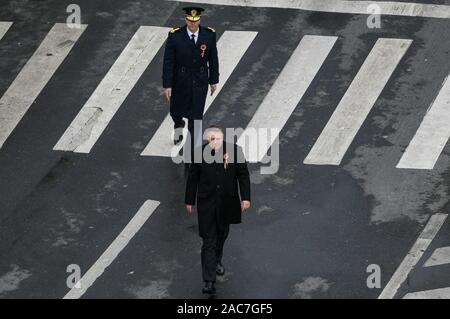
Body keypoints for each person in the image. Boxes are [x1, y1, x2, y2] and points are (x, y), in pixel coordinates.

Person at [185, 125, 251, 295]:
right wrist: (189, 200)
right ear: (208, 140)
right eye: (213, 139)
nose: (216, 142)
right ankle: (209, 281)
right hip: (206, 203)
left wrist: (245, 198)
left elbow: (243, 175)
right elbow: (193, 178)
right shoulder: (199, 153)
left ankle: (217, 260)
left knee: (222, 234)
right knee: (209, 240)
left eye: (219, 138)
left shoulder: (235, 151)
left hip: (227, 202)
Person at [162, 6, 219, 164]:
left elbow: (213, 58)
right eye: (189, 21)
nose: (193, 24)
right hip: (180, 82)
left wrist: (213, 80)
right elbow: (168, 62)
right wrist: (167, 85)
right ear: (185, 19)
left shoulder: (209, 35)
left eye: (195, 21)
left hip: (199, 83)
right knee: (175, 111)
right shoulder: (175, 36)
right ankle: (178, 124)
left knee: (196, 118)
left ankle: (192, 154)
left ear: (199, 20)